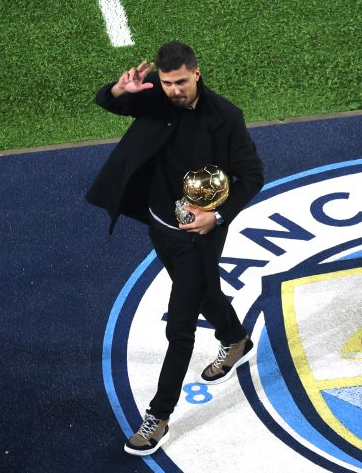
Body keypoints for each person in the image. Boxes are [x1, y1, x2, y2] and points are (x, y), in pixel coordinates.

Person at [86, 41, 264, 456]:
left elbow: (252, 175)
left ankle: (158, 417)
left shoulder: (225, 117)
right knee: (204, 292)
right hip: (159, 224)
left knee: (179, 327)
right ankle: (235, 339)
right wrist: (118, 91)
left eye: (181, 81)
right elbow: (109, 104)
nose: (174, 90)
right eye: (167, 83)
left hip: (198, 236)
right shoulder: (154, 94)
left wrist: (215, 218)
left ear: (197, 74)